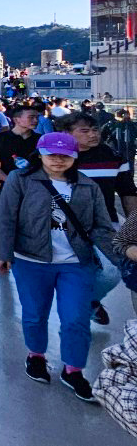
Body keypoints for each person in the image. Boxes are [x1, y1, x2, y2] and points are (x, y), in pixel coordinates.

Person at [0, 133, 118, 403]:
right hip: (30, 260)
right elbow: (6, 217)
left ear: (75, 157)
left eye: (65, 155)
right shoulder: (21, 180)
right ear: (40, 154)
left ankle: (73, 369)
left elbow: (101, 228)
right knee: (34, 314)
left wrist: (120, 258)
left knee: (75, 318)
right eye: (52, 154)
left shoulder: (88, 186)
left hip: (76, 263)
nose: (58, 160)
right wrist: (3, 253)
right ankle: (36, 355)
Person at [57, 112, 137, 326]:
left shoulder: (112, 156)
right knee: (74, 271)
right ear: (67, 134)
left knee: (113, 271)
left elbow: (128, 192)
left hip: (105, 224)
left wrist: (132, 225)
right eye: (85, 131)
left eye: (95, 130)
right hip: (62, 227)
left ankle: (90, 301)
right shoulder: (55, 157)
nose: (93, 135)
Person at [0, 103, 43, 192]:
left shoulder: (42, 139)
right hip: (9, 187)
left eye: (37, 117)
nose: (35, 120)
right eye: (31, 117)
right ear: (16, 120)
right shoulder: (0, 138)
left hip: (37, 188)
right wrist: (7, 179)